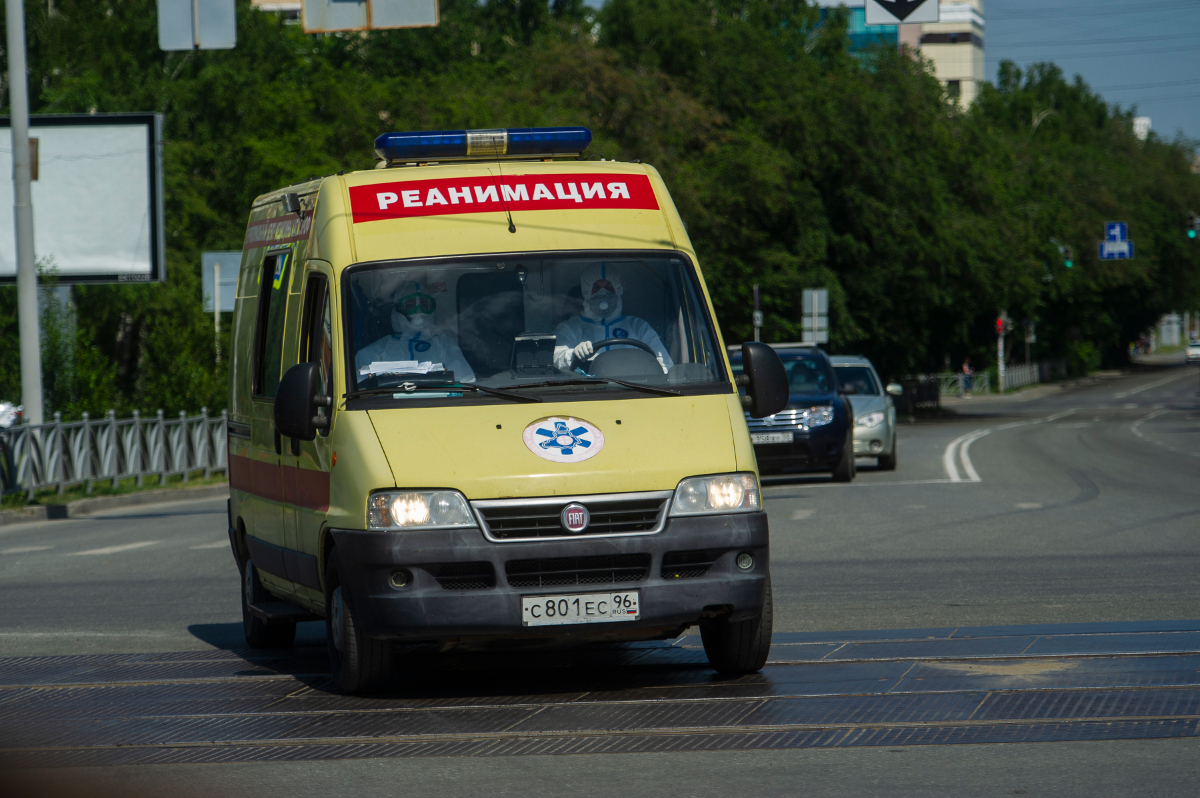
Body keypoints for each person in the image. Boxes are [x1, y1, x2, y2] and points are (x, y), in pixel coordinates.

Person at [553, 264, 674, 373]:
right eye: (596, 287)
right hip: (587, 393)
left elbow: (664, 365)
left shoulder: (638, 327)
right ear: (587, 292)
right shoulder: (571, 328)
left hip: (635, 392)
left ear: (618, 290)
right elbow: (555, 358)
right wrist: (572, 355)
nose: (603, 292)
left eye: (608, 286)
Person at [355, 280, 476, 382]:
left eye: (425, 305)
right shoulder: (377, 350)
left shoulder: (444, 345)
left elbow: (465, 382)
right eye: (410, 306)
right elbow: (362, 389)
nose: (419, 311)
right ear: (397, 312)